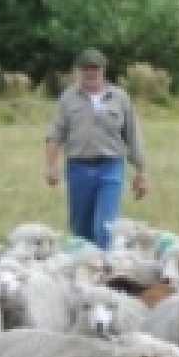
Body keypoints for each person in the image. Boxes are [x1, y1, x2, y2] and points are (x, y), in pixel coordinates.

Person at [44, 49, 149, 251]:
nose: (90, 74)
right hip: (78, 169)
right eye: (85, 69)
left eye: (95, 69)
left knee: (105, 229)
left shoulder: (119, 98)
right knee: (81, 231)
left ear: (103, 70)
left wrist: (141, 173)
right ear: (78, 71)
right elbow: (55, 134)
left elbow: (133, 136)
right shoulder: (68, 98)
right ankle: (84, 273)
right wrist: (51, 166)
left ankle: (106, 275)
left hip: (111, 168)